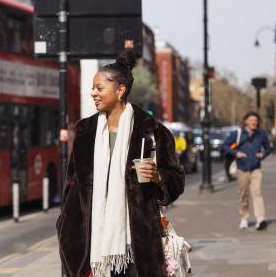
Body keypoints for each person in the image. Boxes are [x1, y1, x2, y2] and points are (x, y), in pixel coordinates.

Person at [57, 51, 185, 277]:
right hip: (89, 245)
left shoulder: (152, 131)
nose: (93, 93)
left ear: (120, 90)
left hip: (137, 244)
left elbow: (176, 180)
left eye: (99, 88)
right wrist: (65, 225)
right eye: (92, 88)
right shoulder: (85, 132)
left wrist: (158, 178)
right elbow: (72, 184)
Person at [222, 112, 272, 230]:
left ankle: (260, 219)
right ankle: (244, 218)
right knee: (244, 195)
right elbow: (225, 146)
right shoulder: (238, 133)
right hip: (242, 168)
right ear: (246, 121)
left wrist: (263, 154)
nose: (254, 122)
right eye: (251, 120)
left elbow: (269, 148)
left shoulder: (261, 134)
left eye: (255, 120)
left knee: (257, 192)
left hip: (256, 168)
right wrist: (236, 153)